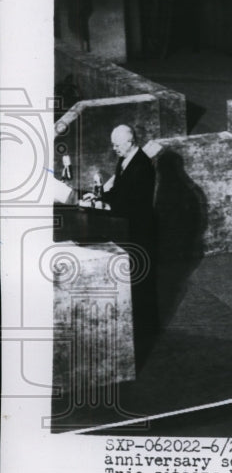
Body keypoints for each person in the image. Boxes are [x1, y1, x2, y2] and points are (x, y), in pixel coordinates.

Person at [83, 125, 158, 366]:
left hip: (140, 230)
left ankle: (147, 327)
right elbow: (118, 192)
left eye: (117, 144)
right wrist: (99, 198)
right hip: (128, 228)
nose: (113, 148)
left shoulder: (142, 166)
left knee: (142, 278)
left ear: (129, 142)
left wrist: (105, 207)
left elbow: (132, 202)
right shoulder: (126, 160)